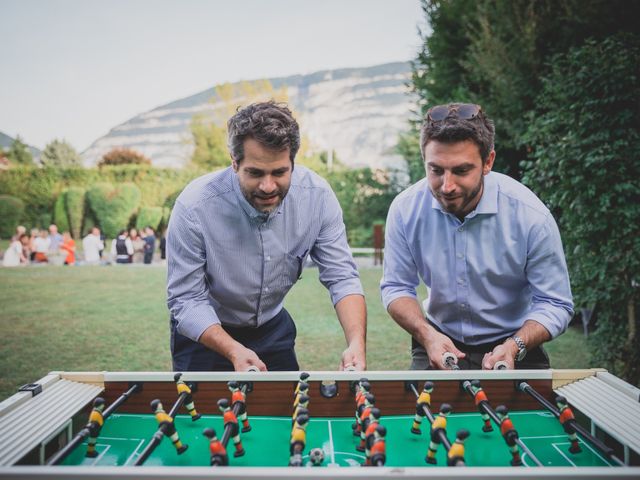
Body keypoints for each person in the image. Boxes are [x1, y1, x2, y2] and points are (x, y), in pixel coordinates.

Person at [167, 101, 366, 372]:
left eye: (280, 172)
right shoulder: (194, 207)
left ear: (292, 162)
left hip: (273, 330)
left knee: (288, 414)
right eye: (255, 173)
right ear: (234, 163)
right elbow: (186, 300)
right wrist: (233, 349)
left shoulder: (318, 197)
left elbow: (342, 277)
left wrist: (356, 342)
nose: (268, 186)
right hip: (205, 335)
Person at [380, 103, 573, 371]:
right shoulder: (404, 210)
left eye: (461, 171)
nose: (447, 186)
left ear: (488, 162)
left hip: (517, 345)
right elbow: (396, 287)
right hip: (435, 338)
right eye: (436, 170)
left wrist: (514, 345)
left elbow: (555, 303)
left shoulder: (532, 216)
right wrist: (426, 335)